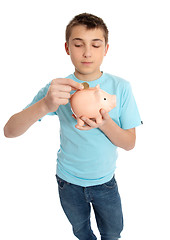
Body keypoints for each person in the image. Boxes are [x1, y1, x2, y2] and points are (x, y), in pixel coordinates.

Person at [4, 13, 142, 240]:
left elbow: (130, 143)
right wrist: (44, 105)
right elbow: (9, 131)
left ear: (106, 49)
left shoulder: (121, 87)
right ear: (67, 48)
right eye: (78, 44)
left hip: (105, 183)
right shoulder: (57, 88)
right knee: (81, 231)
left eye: (95, 45)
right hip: (68, 182)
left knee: (113, 232)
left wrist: (105, 124)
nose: (87, 52)